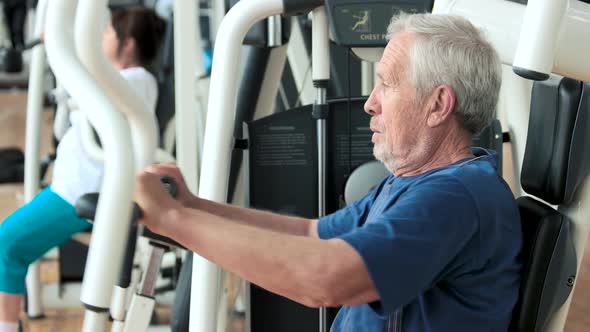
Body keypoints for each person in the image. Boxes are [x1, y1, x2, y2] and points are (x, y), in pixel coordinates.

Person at [135, 13, 522, 331]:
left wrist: (173, 219)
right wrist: (195, 208)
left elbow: (324, 279)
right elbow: (311, 234)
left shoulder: (455, 197)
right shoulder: (412, 183)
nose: (370, 104)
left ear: (438, 105)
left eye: (386, 85)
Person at [0, 7, 164, 332]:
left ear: (127, 44)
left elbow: (91, 87)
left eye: (108, 33)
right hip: (70, 187)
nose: (101, 37)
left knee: (7, 243)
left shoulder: (136, 80)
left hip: (78, 194)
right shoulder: (124, 80)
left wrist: (66, 50)